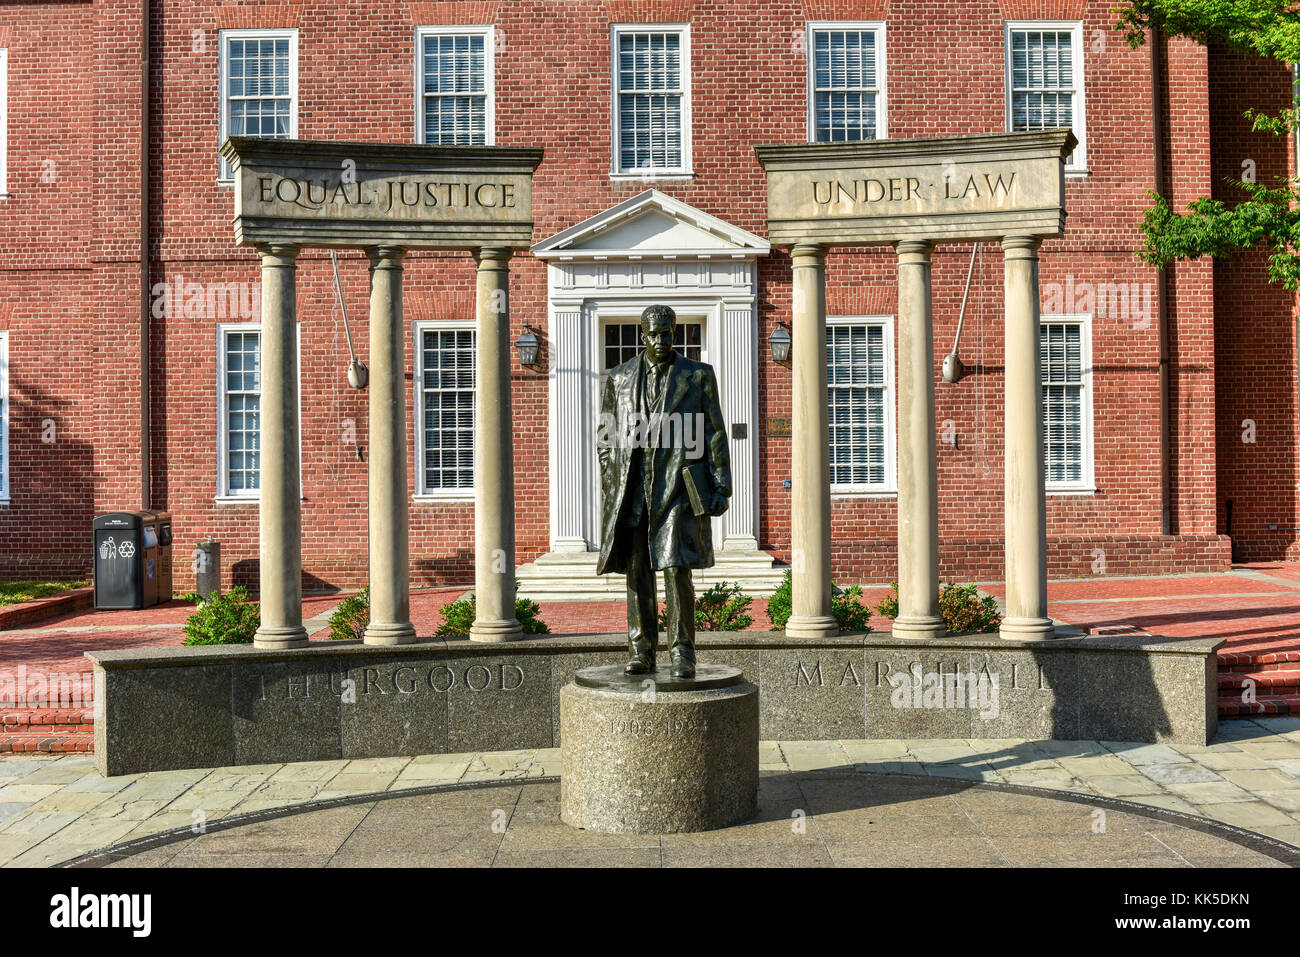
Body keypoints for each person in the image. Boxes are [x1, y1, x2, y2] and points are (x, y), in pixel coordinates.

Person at [596, 304, 731, 678]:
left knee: (676, 569)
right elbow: (605, 440)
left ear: (674, 332)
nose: (660, 340)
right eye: (653, 333)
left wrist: (721, 485)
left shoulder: (698, 376)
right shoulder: (619, 378)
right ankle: (641, 650)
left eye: (667, 332)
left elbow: (714, 433)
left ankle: (682, 653)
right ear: (643, 334)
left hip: (678, 487)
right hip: (634, 490)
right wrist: (614, 486)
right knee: (638, 572)